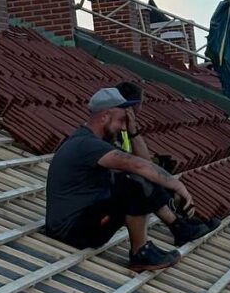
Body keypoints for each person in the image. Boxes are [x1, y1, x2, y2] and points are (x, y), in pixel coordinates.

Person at [43, 88, 208, 272]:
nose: (123, 128)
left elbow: (144, 164)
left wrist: (134, 132)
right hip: (72, 232)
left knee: (138, 178)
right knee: (132, 184)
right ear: (104, 116)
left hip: (80, 224)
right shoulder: (87, 144)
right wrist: (179, 185)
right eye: (122, 121)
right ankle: (141, 253)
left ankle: (177, 228)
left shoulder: (93, 142)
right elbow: (138, 166)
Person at [114, 81, 214, 244]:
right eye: (141, 104)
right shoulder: (114, 127)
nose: (141, 109)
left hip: (119, 182)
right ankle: (178, 226)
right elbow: (140, 164)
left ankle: (184, 222)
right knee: (146, 179)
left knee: (158, 170)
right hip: (112, 189)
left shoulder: (124, 127)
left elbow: (144, 161)